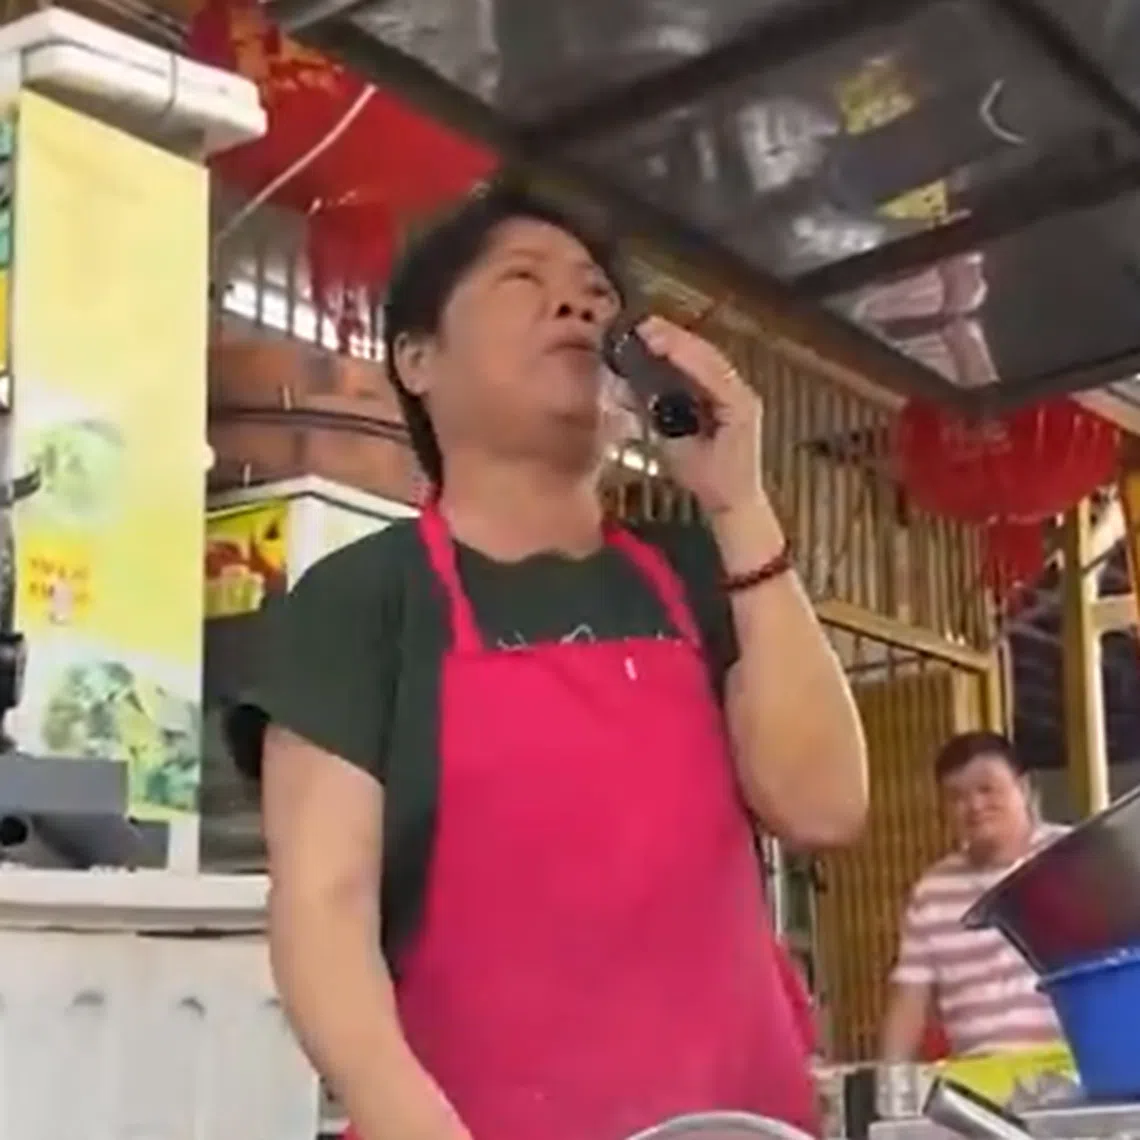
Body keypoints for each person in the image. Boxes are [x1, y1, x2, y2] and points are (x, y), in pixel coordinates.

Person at [227, 183, 868, 1140]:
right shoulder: (365, 598)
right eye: (523, 280)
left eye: (597, 294)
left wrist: (740, 504)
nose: (577, 304)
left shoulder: (703, 571)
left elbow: (825, 805)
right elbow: (323, 905)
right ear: (417, 359)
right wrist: (409, 1119)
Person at [880, 731, 1067, 1060]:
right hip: (979, 1078)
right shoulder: (932, 892)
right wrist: (889, 1084)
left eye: (987, 789)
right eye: (957, 797)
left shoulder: (1074, 857)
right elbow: (909, 999)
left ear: (1022, 788)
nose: (975, 806)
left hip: (1077, 1069)